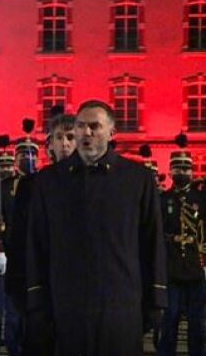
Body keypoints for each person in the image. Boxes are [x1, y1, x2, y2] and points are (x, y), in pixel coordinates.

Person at [25, 100, 167, 356]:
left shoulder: (137, 178)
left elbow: (152, 240)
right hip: (67, 305)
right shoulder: (49, 181)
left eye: (94, 127)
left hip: (121, 303)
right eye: (80, 126)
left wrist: (156, 298)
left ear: (112, 133)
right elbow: (37, 243)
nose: (86, 133)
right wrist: (36, 299)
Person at [157, 134, 205, 356]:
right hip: (172, 270)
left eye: (186, 169)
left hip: (196, 270)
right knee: (170, 322)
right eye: (178, 169)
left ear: (192, 172)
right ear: (171, 171)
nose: (182, 173)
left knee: (197, 325)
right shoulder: (163, 200)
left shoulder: (201, 198)